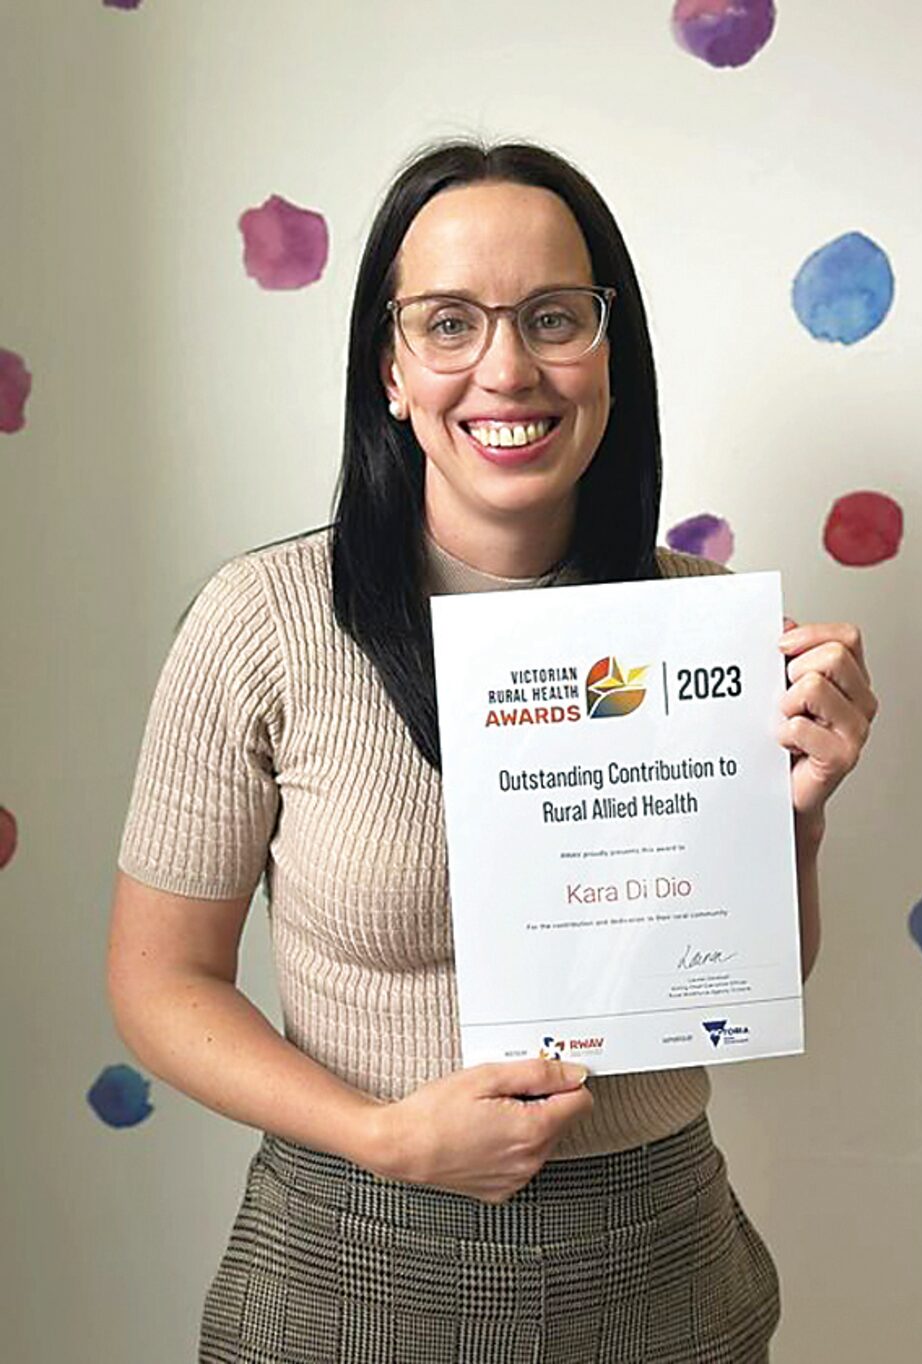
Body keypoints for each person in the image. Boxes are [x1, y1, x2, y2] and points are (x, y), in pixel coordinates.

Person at [106, 139, 877, 1363]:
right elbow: (159, 981)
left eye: (553, 318)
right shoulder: (264, 622)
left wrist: (802, 812)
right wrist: (383, 1136)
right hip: (345, 1262)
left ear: (609, 354)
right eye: (450, 322)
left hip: (662, 1269)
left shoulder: (706, 630)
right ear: (391, 369)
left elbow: (741, 979)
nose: (506, 368)